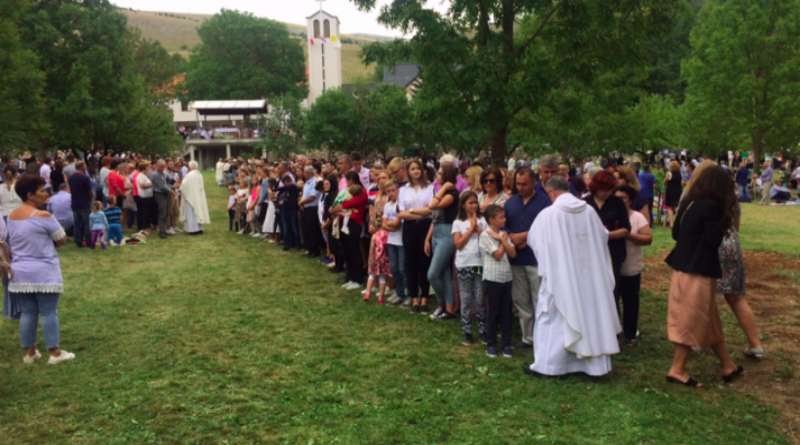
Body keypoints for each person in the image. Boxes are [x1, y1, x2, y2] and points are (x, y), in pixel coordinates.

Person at [523, 176, 621, 377]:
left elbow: (535, 241)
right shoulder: (590, 212)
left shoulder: (548, 215)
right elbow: (603, 237)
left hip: (561, 277)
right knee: (590, 315)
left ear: (551, 192)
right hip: (589, 278)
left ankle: (549, 367)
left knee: (554, 318)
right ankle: (594, 367)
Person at [664, 165, 742, 387]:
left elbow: (675, 233)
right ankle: (677, 369)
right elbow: (712, 241)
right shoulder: (712, 207)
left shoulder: (689, 202)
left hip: (682, 266)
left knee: (710, 319)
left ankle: (728, 365)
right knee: (690, 318)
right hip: (698, 270)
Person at [7, 175, 74, 365]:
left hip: (19, 271)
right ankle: (54, 352)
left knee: (28, 312)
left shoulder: (11, 216)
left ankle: (29, 352)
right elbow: (61, 238)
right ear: (29, 195)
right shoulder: (44, 216)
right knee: (48, 311)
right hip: (43, 270)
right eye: (42, 191)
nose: (46, 195)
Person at [503, 168, 551, 350]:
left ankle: (543, 337)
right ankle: (528, 338)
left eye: (524, 184)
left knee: (539, 299)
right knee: (521, 300)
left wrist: (525, 236)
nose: (521, 187)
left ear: (533, 182)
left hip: (535, 259)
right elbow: (503, 224)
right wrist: (511, 236)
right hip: (516, 258)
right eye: (518, 184)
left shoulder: (544, 202)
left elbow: (548, 226)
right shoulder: (511, 203)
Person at [584, 171, 631, 312]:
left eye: (611, 190)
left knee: (611, 291)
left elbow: (626, 229)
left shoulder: (617, 203)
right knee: (590, 292)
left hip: (613, 254)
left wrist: (606, 234)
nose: (608, 193)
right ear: (596, 187)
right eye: (605, 189)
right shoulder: (584, 203)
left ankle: (612, 329)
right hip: (589, 255)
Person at [615, 185, 653, 347]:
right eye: (616, 197)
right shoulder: (609, 215)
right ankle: (614, 333)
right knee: (612, 301)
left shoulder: (637, 217)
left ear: (630, 201)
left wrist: (628, 235)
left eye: (623, 197)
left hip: (631, 267)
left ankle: (630, 334)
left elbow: (648, 238)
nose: (619, 200)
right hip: (612, 267)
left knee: (630, 302)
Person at [396, 160, 434, 312]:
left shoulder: (430, 187)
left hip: (425, 227)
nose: (416, 171)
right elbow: (401, 213)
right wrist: (418, 212)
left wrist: (411, 211)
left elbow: (431, 210)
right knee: (411, 264)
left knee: (424, 262)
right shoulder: (404, 190)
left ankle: (424, 298)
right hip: (409, 228)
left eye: (418, 168)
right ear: (409, 172)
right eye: (413, 169)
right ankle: (414, 299)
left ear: (423, 170)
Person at [479, 204, 516, 358]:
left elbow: (512, 253)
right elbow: (498, 255)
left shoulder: (503, 234)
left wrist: (502, 238)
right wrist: (503, 241)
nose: (504, 219)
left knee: (505, 312)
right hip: (492, 278)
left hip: (506, 278)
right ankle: (491, 344)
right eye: (501, 217)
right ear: (492, 220)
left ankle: (507, 344)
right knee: (493, 312)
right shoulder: (485, 236)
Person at [425, 164, 460, 320]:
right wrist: (427, 238)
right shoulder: (442, 192)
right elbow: (434, 218)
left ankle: (441, 304)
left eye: (440, 174)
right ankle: (448, 309)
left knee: (432, 274)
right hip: (437, 232)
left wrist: (444, 187)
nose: (437, 176)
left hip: (447, 234)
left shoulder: (452, 193)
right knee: (444, 273)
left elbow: (432, 205)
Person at [453, 191, 487, 346]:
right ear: (463, 205)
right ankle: (467, 331)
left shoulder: (483, 220)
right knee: (466, 298)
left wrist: (478, 228)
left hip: (480, 264)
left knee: (480, 298)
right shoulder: (458, 223)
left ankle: (482, 330)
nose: (474, 205)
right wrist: (470, 229)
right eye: (470, 203)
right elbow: (459, 244)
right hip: (464, 264)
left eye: (475, 202)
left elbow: (488, 239)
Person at [331, 171, 368, 289]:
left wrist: (336, 208)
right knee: (346, 251)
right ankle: (351, 277)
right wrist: (334, 209)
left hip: (354, 223)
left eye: (347, 180)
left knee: (354, 251)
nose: (346, 183)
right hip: (344, 221)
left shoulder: (362, 192)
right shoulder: (347, 192)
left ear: (351, 180)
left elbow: (348, 204)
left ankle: (358, 279)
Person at [364, 171, 392, 303]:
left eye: (384, 177)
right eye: (379, 178)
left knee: (386, 261)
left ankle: (389, 286)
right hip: (377, 231)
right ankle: (374, 285)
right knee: (374, 259)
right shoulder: (378, 195)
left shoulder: (391, 196)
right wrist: (372, 224)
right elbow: (373, 212)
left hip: (387, 231)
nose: (381, 180)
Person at [382, 179, 406, 306]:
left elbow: (397, 224)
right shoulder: (387, 206)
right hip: (391, 240)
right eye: (388, 191)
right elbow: (383, 224)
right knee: (394, 268)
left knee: (403, 269)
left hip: (401, 241)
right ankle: (399, 293)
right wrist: (390, 225)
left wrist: (389, 225)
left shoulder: (401, 205)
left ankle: (409, 293)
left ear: (398, 190)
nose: (391, 193)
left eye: (393, 190)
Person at [179, 161, 210, 235]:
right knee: (198, 212)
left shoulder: (189, 175)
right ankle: (199, 228)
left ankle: (192, 229)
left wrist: (181, 184)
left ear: (189, 167)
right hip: (198, 196)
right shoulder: (200, 175)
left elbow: (184, 185)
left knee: (191, 213)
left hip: (190, 197)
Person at [67, 162, 93, 248]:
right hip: (84, 202)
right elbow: (90, 191)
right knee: (87, 223)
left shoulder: (71, 178)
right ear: (82, 167)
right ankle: (88, 241)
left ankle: (78, 241)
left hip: (74, 202)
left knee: (77, 223)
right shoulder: (85, 178)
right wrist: (91, 198)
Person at [299, 166, 322, 257]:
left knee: (312, 229)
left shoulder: (314, 182)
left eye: (304, 172)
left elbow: (312, 197)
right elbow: (304, 194)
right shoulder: (307, 183)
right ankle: (309, 248)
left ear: (309, 173)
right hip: (305, 208)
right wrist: (301, 203)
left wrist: (302, 202)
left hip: (312, 208)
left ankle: (315, 250)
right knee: (305, 229)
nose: (304, 174)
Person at [151, 160, 173, 239]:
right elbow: (162, 186)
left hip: (164, 194)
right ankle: (162, 231)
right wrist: (171, 192)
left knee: (166, 212)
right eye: (161, 167)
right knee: (162, 213)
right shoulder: (156, 174)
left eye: (164, 167)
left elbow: (167, 183)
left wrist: (169, 192)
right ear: (156, 166)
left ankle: (163, 229)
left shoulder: (163, 173)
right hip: (159, 194)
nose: (163, 168)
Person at [664, 161, 683, 227]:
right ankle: (678, 222)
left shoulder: (670, 174)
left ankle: (671, 224)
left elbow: (665, 182)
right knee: (676, 206)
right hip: (678, 191)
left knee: (670, 207)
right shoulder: (679, 174)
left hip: (670, 191)